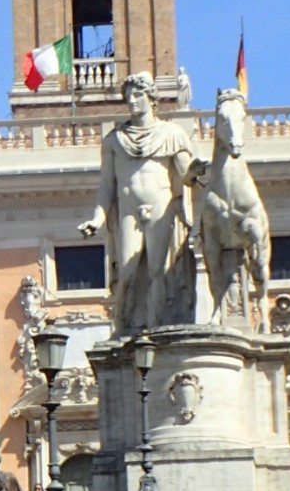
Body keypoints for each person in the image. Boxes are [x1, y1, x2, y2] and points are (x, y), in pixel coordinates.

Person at [80, 71, 201, 332]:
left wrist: (197, 171)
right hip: (128, 211)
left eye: (137, 95)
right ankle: (123, 328)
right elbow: (106, 186)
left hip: (161, 206)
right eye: (128, 97)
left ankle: (156, 328)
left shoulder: (172, 134)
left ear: (151, 98)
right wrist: (97, 219)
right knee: (127, 272)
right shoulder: (115, 140)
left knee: (159, 269)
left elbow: (185, 174)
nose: (132, 101)